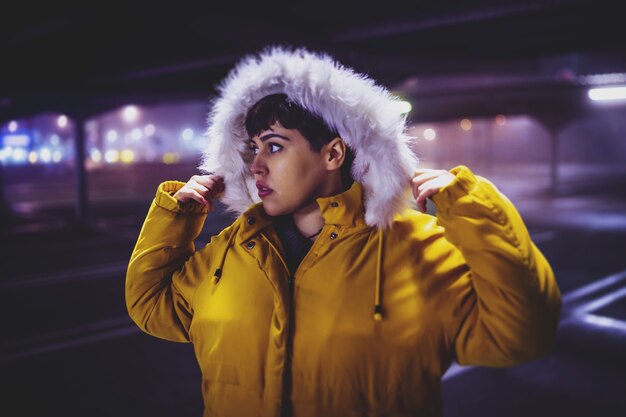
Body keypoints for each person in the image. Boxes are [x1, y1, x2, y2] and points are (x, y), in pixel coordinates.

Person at [126, 46, 561, 417]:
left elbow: (521, 335)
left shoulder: (417, 247)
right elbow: (151, 307)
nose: (255, 164)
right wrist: (175, 217)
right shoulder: (231, 250)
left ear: (333, 153)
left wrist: (472, 208)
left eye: (274, 146)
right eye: (253, 148)